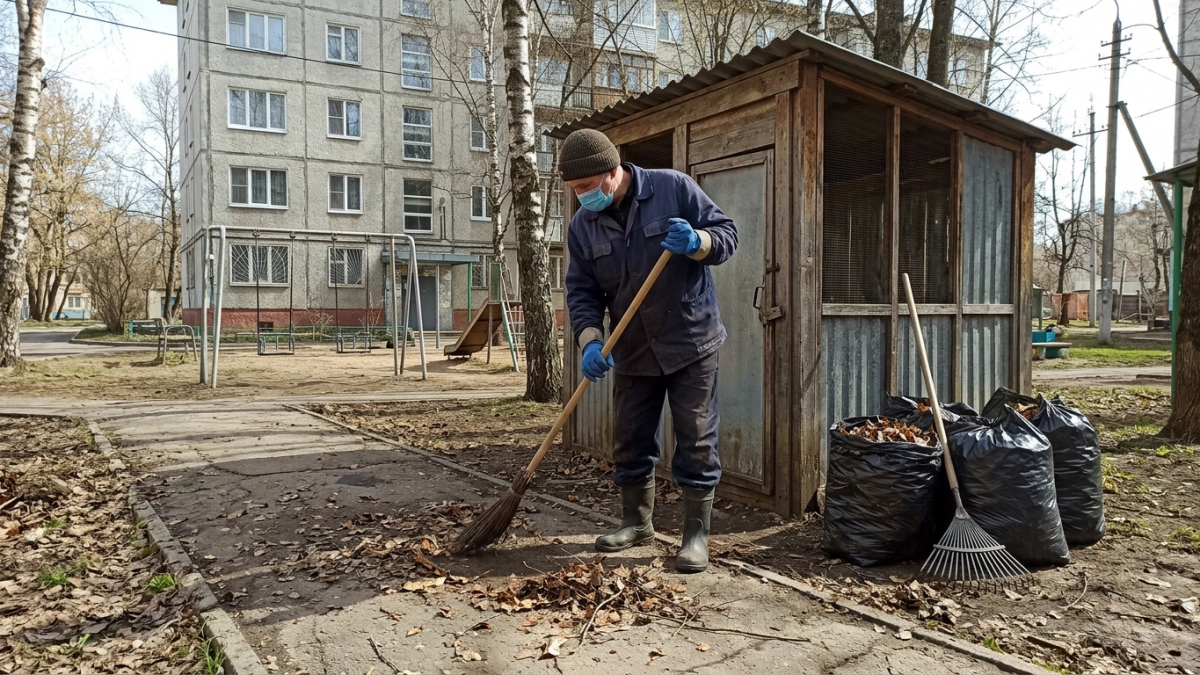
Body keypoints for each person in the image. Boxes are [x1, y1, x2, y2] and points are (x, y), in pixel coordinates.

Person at [559, 129, 738, 573]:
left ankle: (695, 535)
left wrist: (698, 243)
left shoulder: (673, 188)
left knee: (696, 436)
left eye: (586, 187)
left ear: (612, 172)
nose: (581, 197)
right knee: (631, 437)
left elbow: (727, 234)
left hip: (690, 341)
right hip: (633, 347)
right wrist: (590, 340)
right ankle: (636, 523)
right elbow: (581, 291)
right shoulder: (582, 226)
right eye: (574, 189)